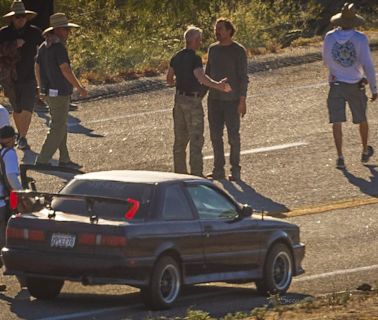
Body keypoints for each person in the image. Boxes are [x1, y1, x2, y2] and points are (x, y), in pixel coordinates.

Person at [167, 26, 232, 177]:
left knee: (179, 141)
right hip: (192, 101)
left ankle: (179, 174)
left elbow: (169, 80)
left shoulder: (176, 57)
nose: (200, 43)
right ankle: (196, 175)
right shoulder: (195, 58)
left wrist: (181, 80)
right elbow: (201, 77)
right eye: (199, 40)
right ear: (193, 40)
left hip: (178, 100)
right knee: (196, 139)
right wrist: (218, 85)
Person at [323, 3, 377, 170]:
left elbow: (326, 59)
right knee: (361, 118)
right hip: (354, 83)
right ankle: (364, 150)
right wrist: (374, 88)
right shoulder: (360, 38)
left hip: (336, 83)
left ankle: (340, 156)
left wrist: (335, 71)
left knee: (337, 121)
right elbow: (367, 64)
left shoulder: (329, 37)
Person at [34, 13, 87, 168]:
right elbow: (65, 69)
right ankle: (43, 160)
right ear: (57, 30)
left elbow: (36, 67)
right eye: (65, 29)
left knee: (60, 124)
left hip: (49, 91)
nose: (68, 33)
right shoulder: (58, 47)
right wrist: (79, 87)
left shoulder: (45, 46)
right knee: (58, 126)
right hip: (60, 92)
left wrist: (40, 86)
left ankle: (64, 158)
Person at [205, 18, 249, 181]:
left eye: (220, 29)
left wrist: (242, 101)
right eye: (216, 29)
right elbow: (207, 75)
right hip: (214, 100)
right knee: (215, 136)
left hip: (232, 101)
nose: (217, 32)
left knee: (233, 137)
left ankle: (235, 170)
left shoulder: (238, 50)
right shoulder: (212, 50)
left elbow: (243, 77)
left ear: (229, 31)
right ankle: (218, 170)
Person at [0, 1, 44, 150]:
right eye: (18, 17)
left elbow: (44, 48)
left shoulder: (34, 32)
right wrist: (13, 45)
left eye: (23, 16)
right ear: (12, 18)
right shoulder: (4, 33)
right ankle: (21, 134)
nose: (21, 19)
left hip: (30, 76)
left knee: (27, 108)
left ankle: (23, 137)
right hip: (10, 79)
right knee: (17, 110)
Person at [0, 125, 22, 293]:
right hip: (3, 204)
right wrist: (21, 194)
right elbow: (11, 177)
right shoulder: (9, 155)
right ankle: (24, 278)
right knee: (10, 242)